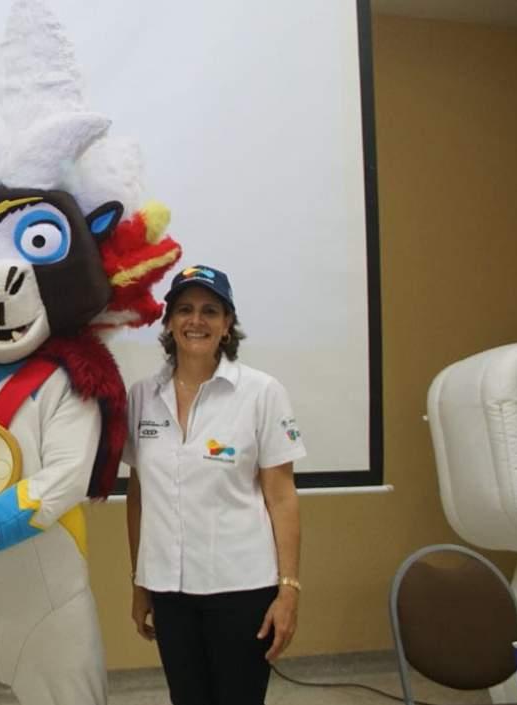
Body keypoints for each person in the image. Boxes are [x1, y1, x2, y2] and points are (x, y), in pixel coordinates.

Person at [124, 265, 304, 705]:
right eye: (184, 309)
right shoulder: (143, 396)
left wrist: (289, 588)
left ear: (227, 325)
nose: (196, 320)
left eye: (210, 310)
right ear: (168, 323)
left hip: (242, 589)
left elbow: (281, 497)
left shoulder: (261, 392)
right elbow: (139, 494)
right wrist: (139, 581)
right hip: (169, 590)